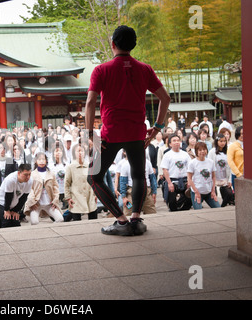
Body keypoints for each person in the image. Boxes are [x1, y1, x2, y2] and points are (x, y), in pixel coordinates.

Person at [85, 25, 169, 236]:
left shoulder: (101, 70)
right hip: (136, 133)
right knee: (139, 176)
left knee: (94, 177)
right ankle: (136, 220)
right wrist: (157, 127)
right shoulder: (145, 69)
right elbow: (165, 98)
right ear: (134, 45)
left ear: (112, 44)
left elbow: (90, 102)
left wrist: (89, 134)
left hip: (109, 134)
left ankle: (121, 222)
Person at [24, 153, 63, 225]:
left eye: (43, 159)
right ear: (36, 161)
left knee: (60, 219)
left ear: (46, 161)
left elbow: (56, 188)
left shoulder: (51, 173)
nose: (41, 161)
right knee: (34, 222)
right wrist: (32, 202)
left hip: (49, 203)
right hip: (36, 204)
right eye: (39, 159)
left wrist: (55, 200)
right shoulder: (32, 174)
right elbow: (30, 189)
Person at [0, 164, 33, 228]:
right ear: (19, 173)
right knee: (6, 221)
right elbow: (8, 196)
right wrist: (7, 210)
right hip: (0, 202)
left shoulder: (30, 181)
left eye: (29, 174)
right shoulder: (11, 179)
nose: (28, 177)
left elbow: (24, 198)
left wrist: (16, 211)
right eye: (25, 174)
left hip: (13, 202)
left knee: (15, 222)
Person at [64, 144, 98, 221]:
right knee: (77, 222)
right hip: (76, 197)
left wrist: (96, 194)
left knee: (93, 220)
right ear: (74, 153)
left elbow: (94, 181)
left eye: (81, 151)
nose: (80, 153)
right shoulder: (70, 167)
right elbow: (67, 183)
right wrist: (68, 197)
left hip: (90, 196)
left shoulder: (90, 165)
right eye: (77, 151)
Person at [160, 134, 193, 212]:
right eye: (174, 141)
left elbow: (189, 169)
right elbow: (165, 170)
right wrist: (169, 183)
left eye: (178, 140)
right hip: (172, 180)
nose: (176, 142)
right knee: (171, 203)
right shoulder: (167, 155)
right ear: (170, 144)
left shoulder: (185, 154)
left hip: (184, 180)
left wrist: (189, 181)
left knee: (189, 199)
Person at [187, 142, 220, 209]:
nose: (202, 151)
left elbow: (213, 176)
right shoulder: (192, 163)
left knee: (218, 208)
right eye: (200, 150)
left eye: (204, 149)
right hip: (197, 192)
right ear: (196, 151)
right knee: (198, 211)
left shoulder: (211, 162)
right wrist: (196, 191)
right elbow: (189, 178)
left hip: (209, 191)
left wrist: (213, 190)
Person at [208, 134, 234, 207]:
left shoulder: (228, 151)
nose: (222, 143)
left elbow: (230, 166)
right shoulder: (212, 152)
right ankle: (216, 207)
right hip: (215, 178)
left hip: (224, 177)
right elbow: (209, 165)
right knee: (214, 195)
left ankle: (222, 206)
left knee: (229, 194)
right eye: (221, 141)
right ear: (217, 141)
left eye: (224, 141)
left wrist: (229, 180)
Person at [227, 126, 244, 191]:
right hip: (237, 175)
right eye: (242, 133)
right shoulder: (232, 146)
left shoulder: (247, 144)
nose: (243, 135)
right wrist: (238, 174)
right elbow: (230, 161)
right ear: (237, 134)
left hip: (247, 175)